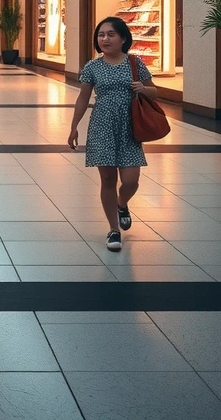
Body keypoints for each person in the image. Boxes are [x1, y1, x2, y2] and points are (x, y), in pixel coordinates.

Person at [67, 16, 160, 251]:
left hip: (130, 126)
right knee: (108, 179)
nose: (105, 39)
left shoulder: (135, 63)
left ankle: (122, 203)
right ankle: (113, 230)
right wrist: (74, 126)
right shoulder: (92, 67)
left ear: (123, 38)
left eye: (110, 34)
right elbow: (83, 97)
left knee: (131, 180)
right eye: (101, 35)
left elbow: (155, 92)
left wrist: (144, 89)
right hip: (102, 126)